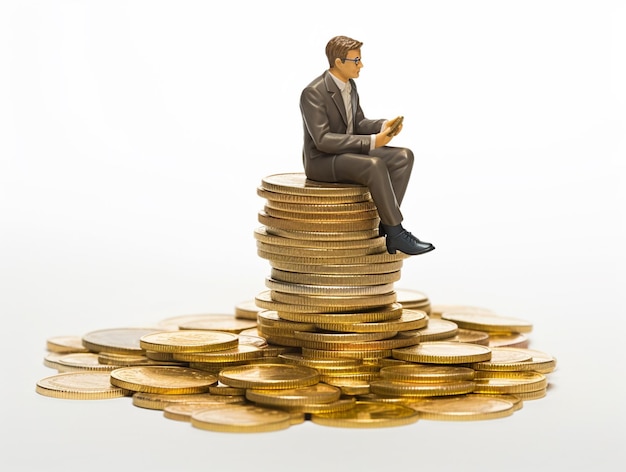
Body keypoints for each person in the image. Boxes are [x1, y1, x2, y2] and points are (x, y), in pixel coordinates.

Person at [299, 35, 434, 256]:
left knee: (403, 157)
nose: (361, 65)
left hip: (346, 153)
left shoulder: (350, 87)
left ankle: (386, 225)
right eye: (356, 60)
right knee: (373, 165)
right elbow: (322, 140)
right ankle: (396, 232)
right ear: (339, 62)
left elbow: (358, 123)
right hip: (322, 161)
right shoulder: (313, 92)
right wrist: (372, 142)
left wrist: (382, 126)